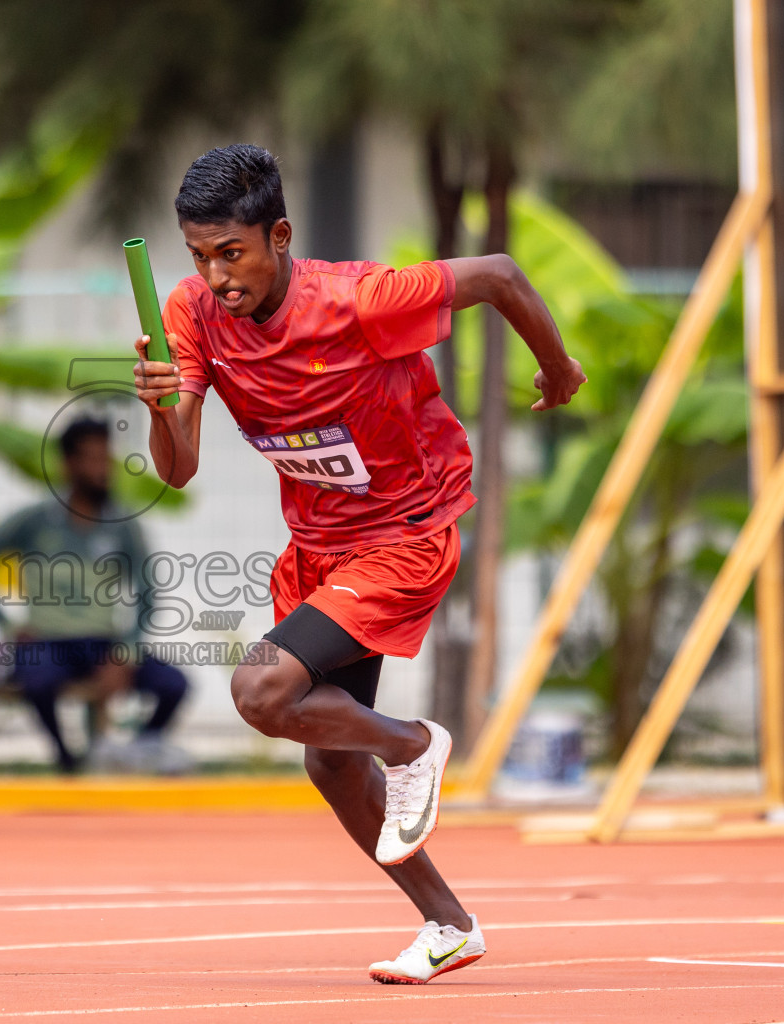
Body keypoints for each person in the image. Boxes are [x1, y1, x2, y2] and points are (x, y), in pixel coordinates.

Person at [131, 144, 585, 983]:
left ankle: (413, 747)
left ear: (280, 235)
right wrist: (162, 407)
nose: (217, 275)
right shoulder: (192, 314)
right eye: (200, 256)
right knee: (331, 761)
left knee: (261, 690)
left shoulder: (360, 300)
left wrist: (556, 367)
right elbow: (180, 467)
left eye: (233, 253)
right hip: (318, 549)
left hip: (406, 533)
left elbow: (500, 273)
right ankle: (450, 923)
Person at [0, 418, 191, 774]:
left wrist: (126, 652)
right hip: (46, 641)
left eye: (105, 459)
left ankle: (133, 753)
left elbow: (148, 593)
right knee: (37, 680)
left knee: (174, 684)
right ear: (68, 464)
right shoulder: (35, 521)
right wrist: (4, 624)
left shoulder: (123, 525)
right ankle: (65, 757)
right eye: (91, 459)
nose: (101, 469)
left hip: (103, 643)